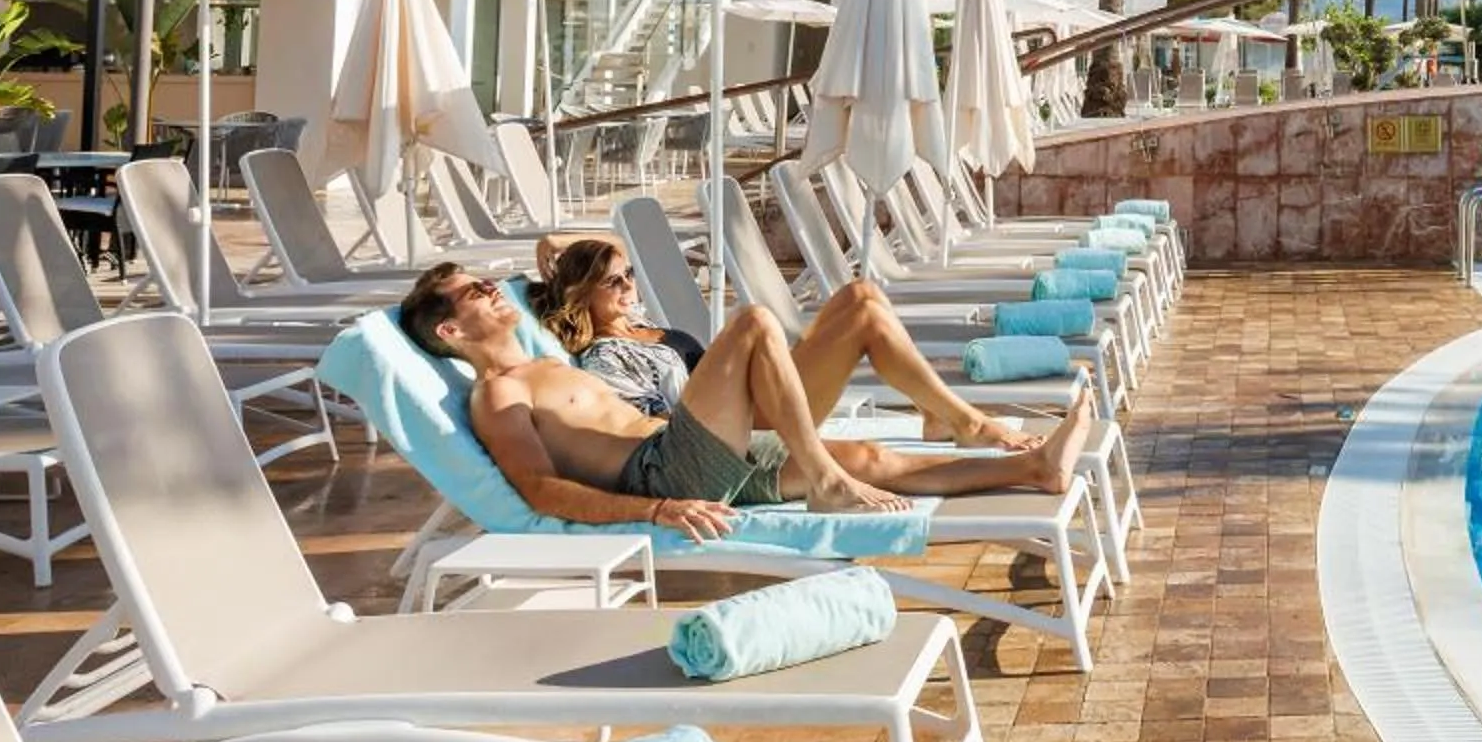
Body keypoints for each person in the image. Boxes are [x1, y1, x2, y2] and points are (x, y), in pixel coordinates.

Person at [397, 262, 1089, 542]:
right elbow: (541, 489)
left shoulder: (545, 358)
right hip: (664, 472)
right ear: (451, 331)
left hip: (688, 451)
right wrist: (658, 510)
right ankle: (825, 483)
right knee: (756, 322)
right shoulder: (499, 394)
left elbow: (554, 264)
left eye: (487, 280)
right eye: (473, 290)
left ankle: (1033, 471)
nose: (492, 287)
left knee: (871, 455)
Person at [526, 233, 1042, 453]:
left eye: (629, 276)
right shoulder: (604, 356)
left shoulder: (642, 326)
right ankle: (965, 421)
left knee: (861, 293)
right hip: (746, 428)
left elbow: (611, 245)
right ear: (581, 297)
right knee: (862, 316)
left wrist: (552, 245)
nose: (627, 287)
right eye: (612, 283)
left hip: (759, 399)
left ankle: (939, 414)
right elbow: (649, 426)